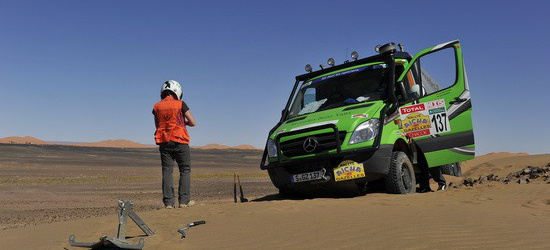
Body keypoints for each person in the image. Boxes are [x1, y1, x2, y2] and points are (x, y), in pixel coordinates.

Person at [152, 80, 196, 209]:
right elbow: (193, 122)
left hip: (164, 142)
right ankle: (184, 201)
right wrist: (184, 122)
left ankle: (169, 203)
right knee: (185, 170)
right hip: (180, 140)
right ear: (177, 91)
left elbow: (158, 125)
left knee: (167, 171)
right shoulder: (181, 104)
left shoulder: (156, 106)